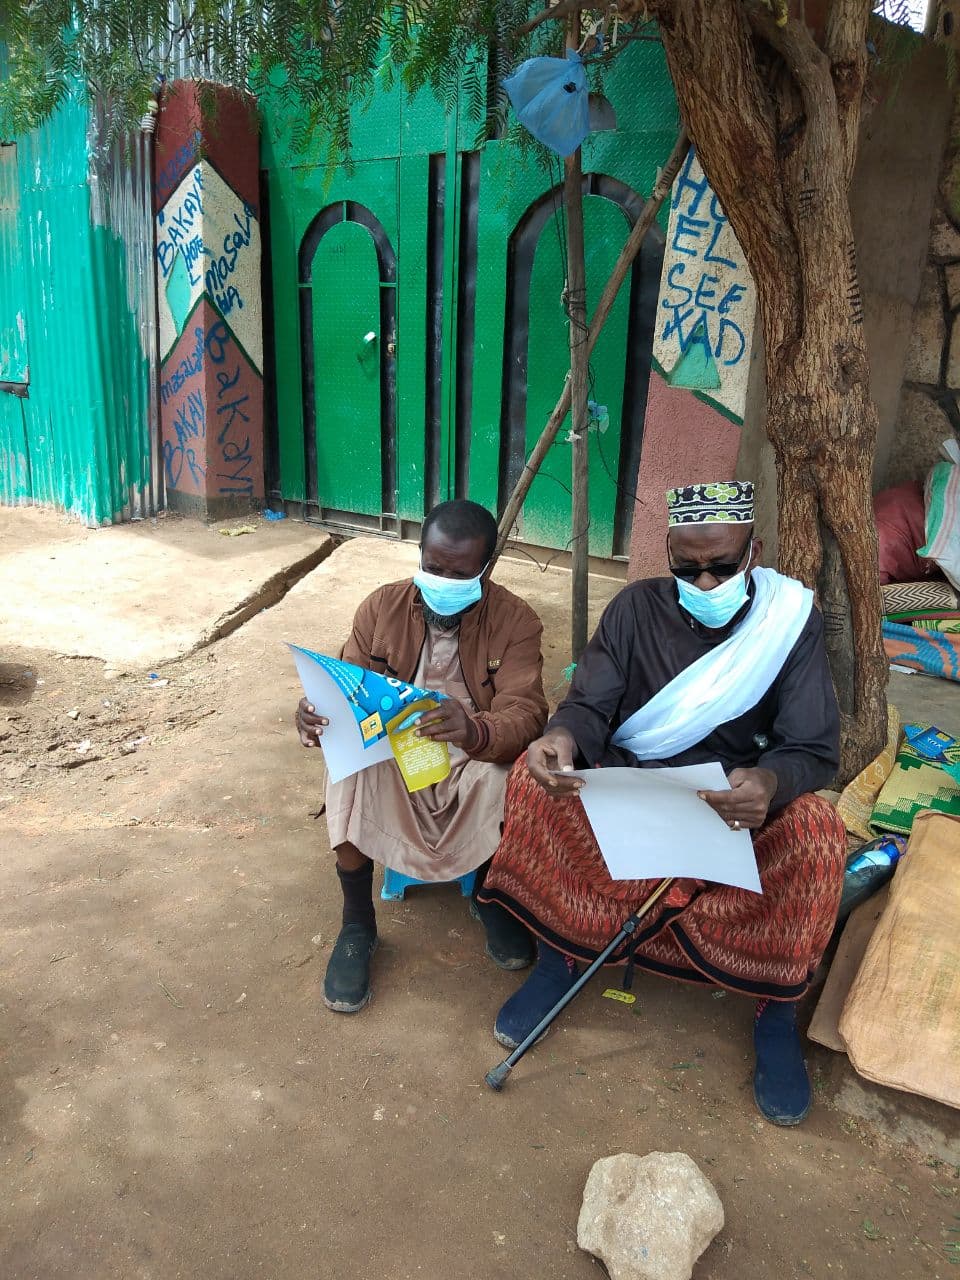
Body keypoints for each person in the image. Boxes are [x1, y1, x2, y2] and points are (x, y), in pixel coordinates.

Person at [477, 481, 846, 1126]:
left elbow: (813, 748)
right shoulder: (633, 609)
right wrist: (559, 737)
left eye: (723, 567)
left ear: (752, 552)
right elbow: (590, 706)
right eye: (688, 568)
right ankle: (563, 951)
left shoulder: (788, 620)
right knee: (530, 783)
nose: (705, 583)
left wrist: (770, 782)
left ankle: (777, 1006)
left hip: (734, 803)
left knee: (818, 829)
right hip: (639, 789)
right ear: (669, 556)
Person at [296, 499, 548, 1014]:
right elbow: (347, 688)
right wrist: (316, 715)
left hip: (472, 751)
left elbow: (525, 713)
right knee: (349, 773)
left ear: (485, 567)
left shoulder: (516, 619)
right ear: (419, 555)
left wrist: (475, 730)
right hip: (395, 752)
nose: (442, 581)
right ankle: (357, 924)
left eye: (459, 574)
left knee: (507, 778)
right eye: (433, 568)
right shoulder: (381, 607)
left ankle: (488, 894)